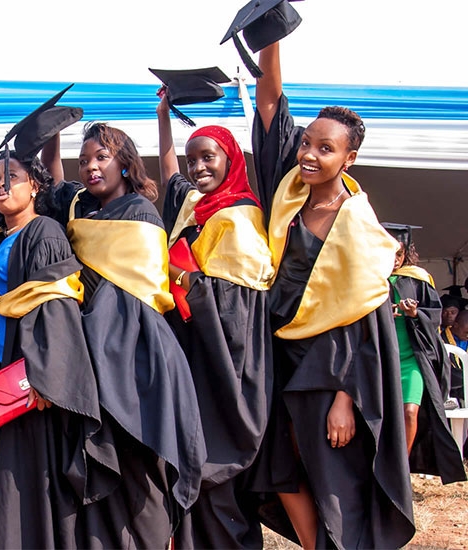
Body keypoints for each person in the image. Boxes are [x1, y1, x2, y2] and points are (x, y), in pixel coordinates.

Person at [251, 37, 416, 548]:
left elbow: (367, 321)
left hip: (329, 366)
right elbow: (270, 105)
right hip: (275, 352)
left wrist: (347, 398)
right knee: (280, 467)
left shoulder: (359, 226)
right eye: (307, 143)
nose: (310, 155)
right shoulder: (288, 192)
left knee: (334, 479)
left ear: (349, 157)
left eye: (326, 149)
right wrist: (269, 32)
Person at [40, 120, 207, 548]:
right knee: (103, 469)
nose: (91, 167)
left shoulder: (140, 214)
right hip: (95, 355)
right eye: (84, 161)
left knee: (140, 468)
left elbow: (138, 295)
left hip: (138, 355)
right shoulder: (80, 211)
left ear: (125, 163)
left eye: (101, 157)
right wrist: (51, 131)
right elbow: (53, 178)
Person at [0, 113, 109, 549]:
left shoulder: (46, 232)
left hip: (32, 376)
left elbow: (56, 309)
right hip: (3, 372)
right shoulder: (0, 237)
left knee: (29, 480)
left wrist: (44, 375)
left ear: (35, 185)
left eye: (11, 177)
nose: (1, 185)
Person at [156, 88, 275, 549]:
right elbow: (170, 178)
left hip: (228, 372)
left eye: (209, 158)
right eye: (193, 161)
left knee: (219, 487)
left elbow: (235, 310)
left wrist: (179, 274)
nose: (198, 168)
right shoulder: (199, 209)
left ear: (230, 160)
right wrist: (163, 116)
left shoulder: (239, 218)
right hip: (197, 361)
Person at [384, 224, 465, 481]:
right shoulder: (368, 279)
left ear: (405, 254)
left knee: (409, 412)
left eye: (398, 254)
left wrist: (414, 313)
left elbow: (434, 316)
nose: (394, 260)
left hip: (412, 358)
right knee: (382, 417)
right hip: (380, 359)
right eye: (388, 253)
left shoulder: (417, 278)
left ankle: (399, 475)